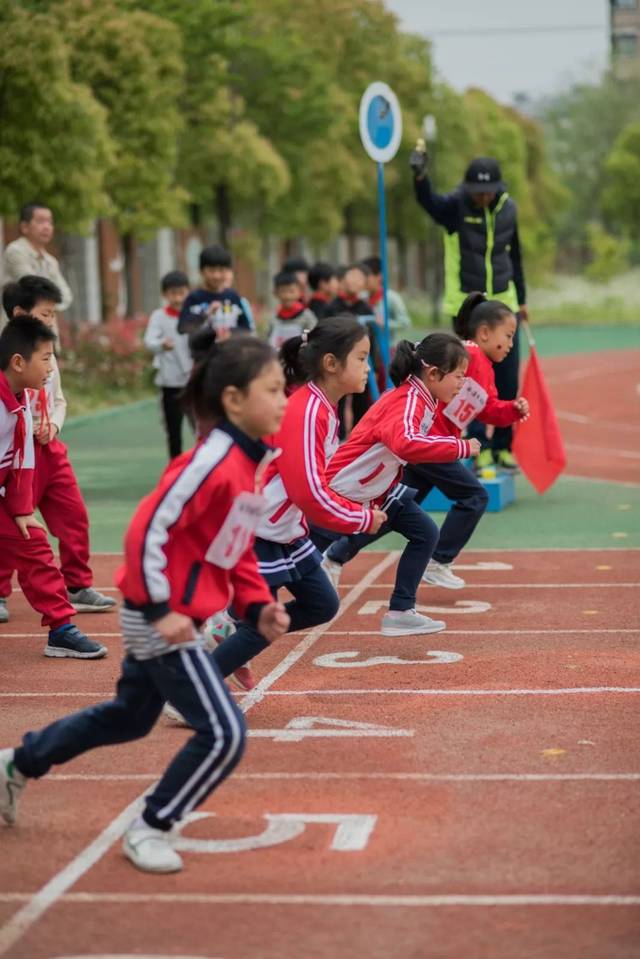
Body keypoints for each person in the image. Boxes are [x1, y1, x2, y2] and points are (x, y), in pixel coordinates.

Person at [0, 331, 290, 874]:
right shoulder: (211, 461)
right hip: (157, 617)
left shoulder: (252, 463)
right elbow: (146, 531)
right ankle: (151, 826)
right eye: (273, 390)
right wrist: (162, 608)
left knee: (129, 718)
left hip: (174, 616)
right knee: (225, 732)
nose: (284, 400)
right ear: (232, 400)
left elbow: (235, 549)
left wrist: (256, 606)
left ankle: (18, 763)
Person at [210, 317, 387, 690]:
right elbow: (308, 491)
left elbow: (320, 480)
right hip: (258, 528)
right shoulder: (307, 411)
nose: (368, 367)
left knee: (321, 604)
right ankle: (194, 688)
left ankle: (229, 636)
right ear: (331, 364)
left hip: (284, 530)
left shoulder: (323, 408)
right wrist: (360, 518)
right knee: (264, 621)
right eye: (361, 358)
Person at [315, 332, 480, 637]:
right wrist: (460, 448)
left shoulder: (422, 398)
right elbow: (406, 444)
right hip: (342, 490)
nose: (462, 384)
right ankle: (234, 617)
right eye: (458, 376)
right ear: (433, 373)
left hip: (376, 489)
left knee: (425, 532)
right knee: (293, 562)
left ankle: (401, 611)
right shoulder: (408, 400)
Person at [0, 277, 116, 627]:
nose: (51, 321)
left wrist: (54, 426)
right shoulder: (16, 356)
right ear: (21, 313)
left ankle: (77, 586)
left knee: (73, 514)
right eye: (46, 313)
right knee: (18, 527)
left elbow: (59, 401)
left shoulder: (46, 355)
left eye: (53, 315)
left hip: (47, 448)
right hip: (17, 453)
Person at [410, 151, 527, 470]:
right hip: (468, 308)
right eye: (477, 191)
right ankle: (481, 445)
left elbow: (514, 254)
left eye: (488, 191)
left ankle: (503, 446)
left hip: (505, 304)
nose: (483, 197)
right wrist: (420, 178)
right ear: (468, 189)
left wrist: (523, 299)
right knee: (469, 382)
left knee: (506, 381)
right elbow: (430, 203)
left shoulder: (508, 208)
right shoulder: (455, 207)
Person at [404, 293, 529, 590]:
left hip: (432, 441)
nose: (511, 345)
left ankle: (337, 554)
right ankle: (439, 561)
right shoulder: (470, 355)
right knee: (475, 497)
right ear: (484, 332)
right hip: (431, 441)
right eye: (508, 336)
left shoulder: (478, 361)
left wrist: (511, 409)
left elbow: (485, 408)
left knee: (398, 505)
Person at [143, 270, 193, 460]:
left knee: (200, 429)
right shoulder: (159, 316)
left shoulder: (194, 315)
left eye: (182, 292)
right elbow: (149, 340)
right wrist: (161, 344)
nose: (178, 297)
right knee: (174, 431)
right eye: (173, 293)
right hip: (170, 384)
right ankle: (175, 467)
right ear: (165, 294)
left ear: (188, 291)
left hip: (193, 382)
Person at [326, 263, 380, 429]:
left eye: (359, 278)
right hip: (339, 359)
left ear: (364, 284)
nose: (355, 281)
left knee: (361, 398)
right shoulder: (332, 307)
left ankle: (359, 433)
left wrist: (376, 366)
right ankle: (337, 433)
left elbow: (373, 338)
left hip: (361, 360)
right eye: (352, 276)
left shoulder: (366, 308)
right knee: (337, 399)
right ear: (343, 280)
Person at [2, 203, 73, 321]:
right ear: (24, 227)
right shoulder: (15, 252)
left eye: (50, 222)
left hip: (46, 329)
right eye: (40, 221)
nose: (47, 227)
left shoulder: (51, 261)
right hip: (20, 329)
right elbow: (33, 289)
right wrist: (51, 301)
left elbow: (66, 296)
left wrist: (48, 305)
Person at [177, 245, 251, 336]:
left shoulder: (233, 297)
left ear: (228, 271)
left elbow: (246, 328)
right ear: (201, 271)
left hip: (230, 349)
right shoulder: (194, 298)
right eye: (211, 270)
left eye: (221, 270)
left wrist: (229, 333)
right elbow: (182, 328)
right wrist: (205, 314)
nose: (216, 276)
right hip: (202, 350)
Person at [360, 255, 411, 347]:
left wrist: (386, 323)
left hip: (389, 348)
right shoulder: (363, 297)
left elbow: (405, 323)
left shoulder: (391, 298)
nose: (362, 281)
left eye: (366, 277)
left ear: (379, 276)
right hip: (369, 348)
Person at [267, 271, 316, 349]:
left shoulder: (307, 317)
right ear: (275, 293)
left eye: (291, 291)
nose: (287, 296)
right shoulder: (273, 317)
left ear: (299, 292)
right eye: (283, 291)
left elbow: (313, 339)